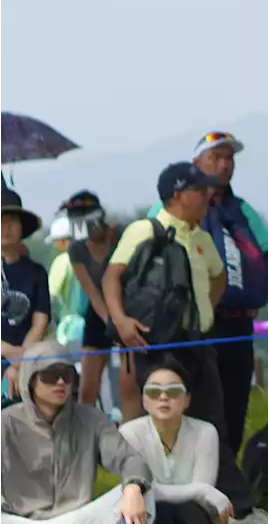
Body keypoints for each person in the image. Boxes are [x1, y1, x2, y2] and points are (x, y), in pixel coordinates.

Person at [104, 163, 268, 524]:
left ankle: (234, 507)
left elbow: (219, 277)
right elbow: (112, 275)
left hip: (197, 342)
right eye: (200, 191)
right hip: (155, 344)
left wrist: (203, 313)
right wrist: (121, 320)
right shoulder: (143, 230)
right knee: (159, 422)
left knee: (214, 422)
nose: (208, 197)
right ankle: (146, 501)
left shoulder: (201, 236)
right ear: (178, 195)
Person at [148, 132, 268, 455]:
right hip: (190, 326)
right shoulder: (168, 204)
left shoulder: (241, 209)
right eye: (215, 158)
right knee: (192, 402)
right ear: (197, 163)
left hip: (236, 323)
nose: (224, 165)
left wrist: (257, 294)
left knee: (235, 402)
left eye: (229, 158)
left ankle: (228, 482)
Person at [0, 341, 153, 524]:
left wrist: (133, 488)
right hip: (21, 520)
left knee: (144, 492)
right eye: (51, 375)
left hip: (79, 517)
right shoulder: (5, 422)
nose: (61, 382)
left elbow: (129, 459)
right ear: (30, 379)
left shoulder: (91, 418)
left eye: (66, 375)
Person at [120, 360, 233, 524]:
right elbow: (141, 491)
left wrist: (201, 491)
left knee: (192, 512)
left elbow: (202, 500)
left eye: (173, 391)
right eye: (153, 391)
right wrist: (200, 490)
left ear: (187, 399)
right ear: (143, 400)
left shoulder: (205, 432)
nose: (163, 397)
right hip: (147, 512)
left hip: (191, 514)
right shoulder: (130, 433)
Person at [62, 190, 125, 412]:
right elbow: (91, 291)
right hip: (99, 313)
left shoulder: (121, 234)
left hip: (128, 308)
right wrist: (111, 321)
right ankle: (84, 435)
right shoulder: (76, 249)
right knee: (88, 385)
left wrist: (121, 321)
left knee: (128, 383)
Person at [0, 186, 50, 405]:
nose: (6, 227)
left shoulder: (36, 272)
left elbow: (40, 323)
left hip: (29, 361)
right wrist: (7, 351)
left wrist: (19, 362)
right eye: (0, 221)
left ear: (21, 227)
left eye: (12, 221)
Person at [45, 214, 87, 346]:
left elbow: (50, 297)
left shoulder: (62, 261)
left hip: (69, 330)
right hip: (94, 328)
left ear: (63, 241)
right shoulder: (91, 258)